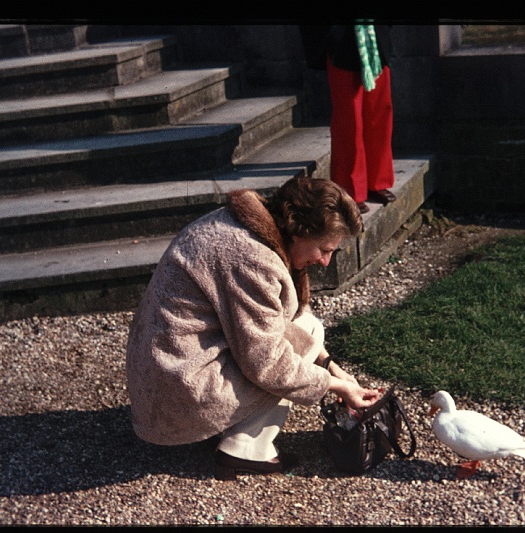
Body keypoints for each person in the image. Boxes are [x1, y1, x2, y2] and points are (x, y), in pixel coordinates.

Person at [125, 176, 381, 480]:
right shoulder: (253, 260)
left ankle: (231, 428)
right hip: (179, 388)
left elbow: (275, 320)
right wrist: (335, 385)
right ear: (298, 231)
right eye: (323, 249)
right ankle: (244, 449)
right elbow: (268, 363)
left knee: (307, 330)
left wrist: (330, 366)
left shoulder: (244, 226)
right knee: (300, 340)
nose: (325, 261)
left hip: (166, 370)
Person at [300, 23, 396, 214]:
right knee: (349, 118)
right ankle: (349, 188)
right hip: (341, 37)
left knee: (379, 111)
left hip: (373, 34)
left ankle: (377, 181)